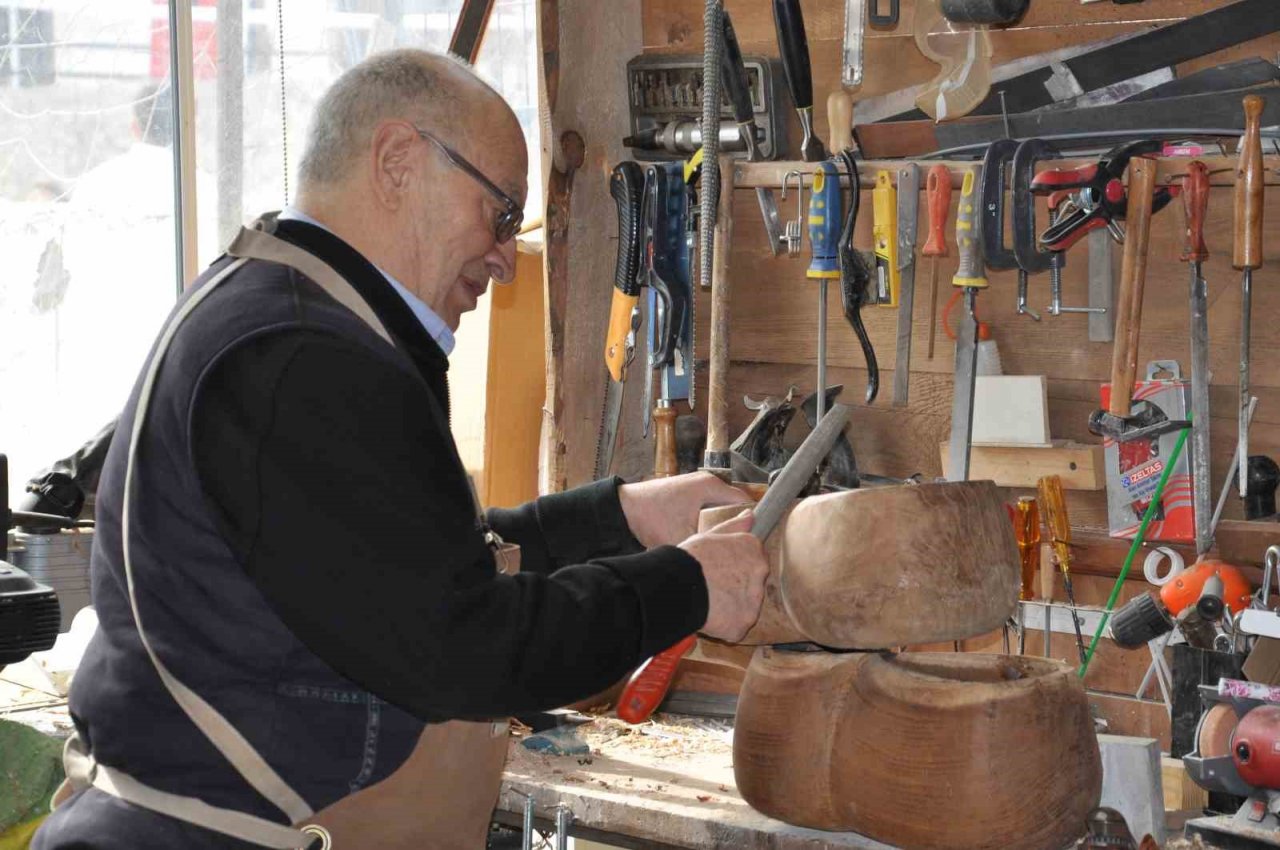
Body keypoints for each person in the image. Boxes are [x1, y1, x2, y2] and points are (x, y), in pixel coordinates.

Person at [33, 49, 768, 849]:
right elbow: (462, 646)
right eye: (498, 214)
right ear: (397, 163)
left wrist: (623, 517)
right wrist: (685, 586)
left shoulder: (281, 313)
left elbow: (406, 563)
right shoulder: (303, 358)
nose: (501, 254)